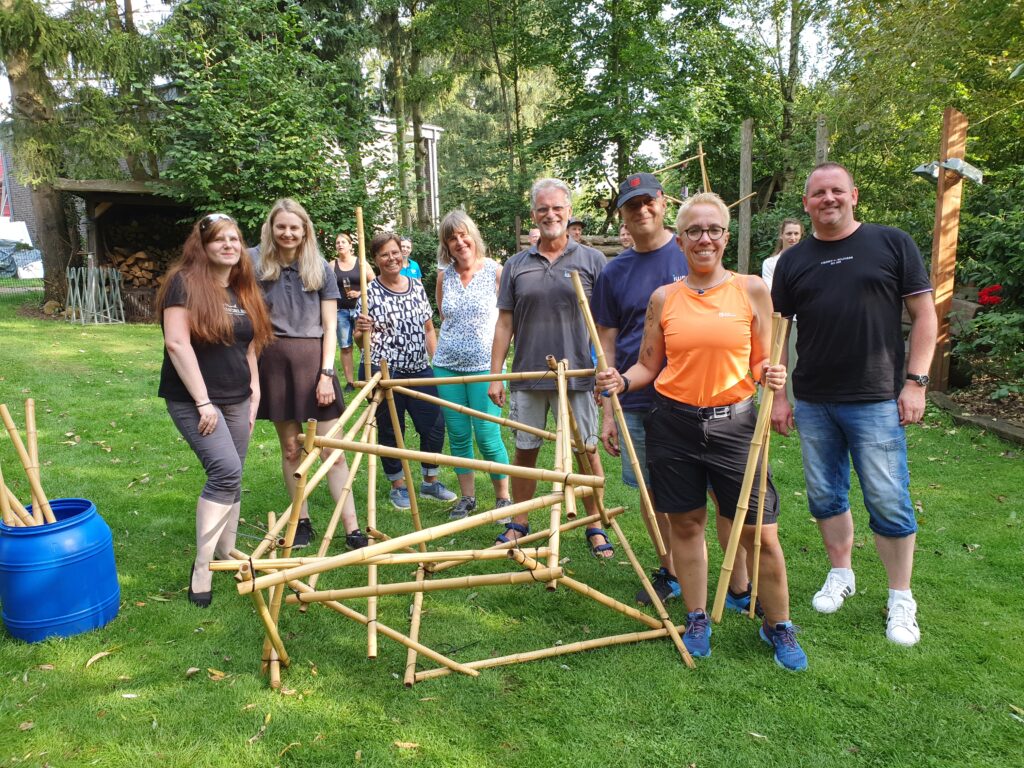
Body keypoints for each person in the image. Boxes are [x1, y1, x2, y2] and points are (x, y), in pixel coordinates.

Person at [596, 192, 808, 671]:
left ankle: (778, 623)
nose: (704, 239)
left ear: (726, 237)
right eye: (694, 230)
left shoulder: (751, 289)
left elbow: (761, 358)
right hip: (673, 425)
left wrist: (769, 372)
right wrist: (621, 381)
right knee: (687, 524)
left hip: (736, 426)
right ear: (682, 239)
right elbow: (649, 364)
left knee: (760, 532)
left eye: (713, 229)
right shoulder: (664, 298)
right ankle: (696, 617)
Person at [770, 162, 937, 647]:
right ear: (806, 203)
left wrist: (916, 383)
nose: (828, 199)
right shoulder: (793, 261)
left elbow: (925, 315)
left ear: (854, 195)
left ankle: (901, 596)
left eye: (837, 190)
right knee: (825, 495)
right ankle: (841, 573)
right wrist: (779, 396)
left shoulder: (891, 243)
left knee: (887, 498)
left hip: (876, 398)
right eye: (819, 193)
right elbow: (778, 334)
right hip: (814, 400)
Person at [488, 178, 613, 558]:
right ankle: (519, 522)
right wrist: (496, 373)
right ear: (534, 215)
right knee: (525, 450)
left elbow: (606, 325)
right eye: (543, 209)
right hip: (527, 374)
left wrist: (604, 371)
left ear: (569, 212)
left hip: (577, 375)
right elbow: (505, 322)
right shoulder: (516, 265)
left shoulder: (592, 261)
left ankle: (594, 524)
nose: (550, 215)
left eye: (557, 208)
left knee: (585, 450)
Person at [157, 213, 274, 607]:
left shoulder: (243, 289)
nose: (228, 245)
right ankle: (202, 566)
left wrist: (254, 392)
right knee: (224, 471)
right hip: (194, 400)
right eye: (219, 240)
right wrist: (203, 401)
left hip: (238, 397)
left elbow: (249, 346)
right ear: (202, 246)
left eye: (234, 239)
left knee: (234, 474)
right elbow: (177, 343)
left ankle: (227, 550)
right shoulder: (184, 284)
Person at [255, 199, 367, 550]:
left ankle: (352, 527)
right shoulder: (255, 263)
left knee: (333, 451)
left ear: (305, 231)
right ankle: (300, 520)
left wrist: (326, 373)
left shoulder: (319, 267)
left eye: (294, 227)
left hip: (314, 364)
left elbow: (331, 327)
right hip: (274, 366)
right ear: (271, 228)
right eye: (281, 226)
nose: (287, 233)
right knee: (291, 449)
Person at [355, 233, 457, 509]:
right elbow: (359, 340)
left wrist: (436, 362)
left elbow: (428, 328)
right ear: (375, 260)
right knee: (391, 428)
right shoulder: (369, 292)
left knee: (434, 424)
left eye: (395, 252)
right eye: (384, 254)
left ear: (402, 254)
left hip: (419, 367)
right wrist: (361, 331)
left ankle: (430, 481)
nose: (391, 258)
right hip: (384, 371)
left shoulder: (416, 286)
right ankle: (398, 485)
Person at [431, 211, 513, 519]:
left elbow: (507, 321)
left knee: (488, 435)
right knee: (458, 435)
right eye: (452, 238)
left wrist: (497, 372)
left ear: (473, 236)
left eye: (463, 235)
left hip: (485, 367)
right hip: (446, 366)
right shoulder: (444, 276)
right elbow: (444, 316)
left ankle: (503, 498)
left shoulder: (495, 271)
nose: (459, 242)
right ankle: (467, 497)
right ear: (446, 245)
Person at [332, 232, 372, 391]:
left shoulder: (361, 263)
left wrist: (360, 293)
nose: (340, 245)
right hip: (340, 310)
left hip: (360, 309)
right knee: (345, 346)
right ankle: (350, 382)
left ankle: (368, 376)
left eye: (343, 242)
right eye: (337, 242)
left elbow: (374, 283)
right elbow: (326, 287)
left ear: (350, 245)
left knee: (364, 342)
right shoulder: (332, 265)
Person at [761, 218, 804, 290]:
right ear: (781, 235)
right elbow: (770, 291)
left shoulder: (808, 260)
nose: (793, 238)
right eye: (789, 233)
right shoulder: (769, 264)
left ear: (800, 235)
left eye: (796, 234)